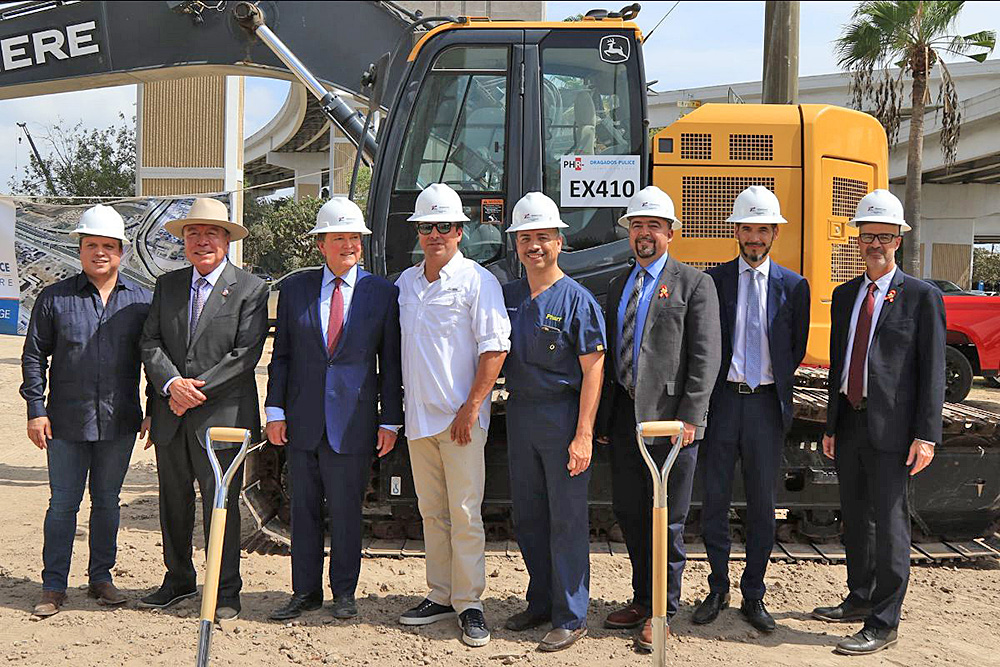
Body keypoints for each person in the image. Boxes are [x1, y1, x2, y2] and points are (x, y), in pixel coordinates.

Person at [813, 189, 945, 656]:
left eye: (884, 237)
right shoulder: (846, 295)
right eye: (868, 236)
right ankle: (860, 597)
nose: (875, 244)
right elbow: (837, 364)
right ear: (858, 239)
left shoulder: (922, 298)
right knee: (855, 517)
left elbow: (932, 372)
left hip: (894, 431)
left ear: (899, 241)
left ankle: (885, 621)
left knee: (889, 525)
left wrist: (927, 434)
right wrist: (830, 425)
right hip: (850, 423)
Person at [595, 186, 721, 651]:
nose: (644, 234)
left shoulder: (694, 284)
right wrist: (606, 422)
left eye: (653, 226)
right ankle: (641, 597)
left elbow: (705, 358)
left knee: (666, 519)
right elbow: (613, 359)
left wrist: (691, 417)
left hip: (671, 424)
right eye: (637, 226)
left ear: (671, 232)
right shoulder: (617, 284)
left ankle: (663, 612)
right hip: (627, 420)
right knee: (630, 512)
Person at [265, 198, 402, 621]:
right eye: (338, 237)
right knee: (302, 513)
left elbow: (391, 362)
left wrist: (389, 419)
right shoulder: (295, 290)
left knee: (346, 513)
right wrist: (275, 410)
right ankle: (304, 593)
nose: (348, 244)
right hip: (302, 423)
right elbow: (282, 355)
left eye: (354, 238)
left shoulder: (383, 294)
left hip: (354, 424)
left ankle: (344, 592)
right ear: (320, 244)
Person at [138, 198, 269, 621]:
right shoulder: (168, 285)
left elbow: (245, 354)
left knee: (222, 505)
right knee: (173, 501)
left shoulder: (251, 288)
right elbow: (150, 342)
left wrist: (194, 390)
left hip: (222, 419)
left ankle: (226, 589)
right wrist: (171, 385)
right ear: (184, 242)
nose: (201, 241)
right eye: (193, 233)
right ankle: (177, 580)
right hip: (171, 416)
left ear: (227, 240)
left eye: (211, 232)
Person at [20, 205, 152, 617]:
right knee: (62, 504)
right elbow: (33, 356)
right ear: (80, 249)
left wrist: (153, 409)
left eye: (108, 246)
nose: (100, 253)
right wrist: (36, 410)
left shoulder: (142, 301)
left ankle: (101, 578)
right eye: (91, 245)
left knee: (108, 501)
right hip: (65, 422)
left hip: (120, 420)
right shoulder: (54, 298)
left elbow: (157, 357)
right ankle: (53, 586)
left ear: (121, 252)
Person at [395, 183, 511, 647]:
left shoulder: (478, 282)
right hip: (418, 421)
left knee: (465, 514)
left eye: (445, 226)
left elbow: (495, 349)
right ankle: (440, 594)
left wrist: (471, 408)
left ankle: (470, 604)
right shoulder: (406, 283)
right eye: (427, 227)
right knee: (431, 514)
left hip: (459, 422)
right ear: (419, 232)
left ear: (460, 231)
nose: (435, 234)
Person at [694, 186, 810, 632]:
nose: (755, 237)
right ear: (736, 232)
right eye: (748, 228)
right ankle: (718, 587)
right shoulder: (714, 281)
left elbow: (793, 349)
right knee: (716, 501)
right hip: (722, 404)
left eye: (764, 229)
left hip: (765, 406)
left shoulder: (793, 286)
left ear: (774, 233)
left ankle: (754, 594)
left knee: (763, 506)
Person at [500, 193, 606, 652]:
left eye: (543, 237)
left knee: (565, 519)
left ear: (560, 242)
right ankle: (540, 600)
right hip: (520, 414)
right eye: (526, 238)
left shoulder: (578, 300)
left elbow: (593, 371)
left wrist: (583, 433)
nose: (534, 246)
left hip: (561, 418)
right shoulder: (510, 296)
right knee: (529, 517)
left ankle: (571, 613)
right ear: (516, 244)